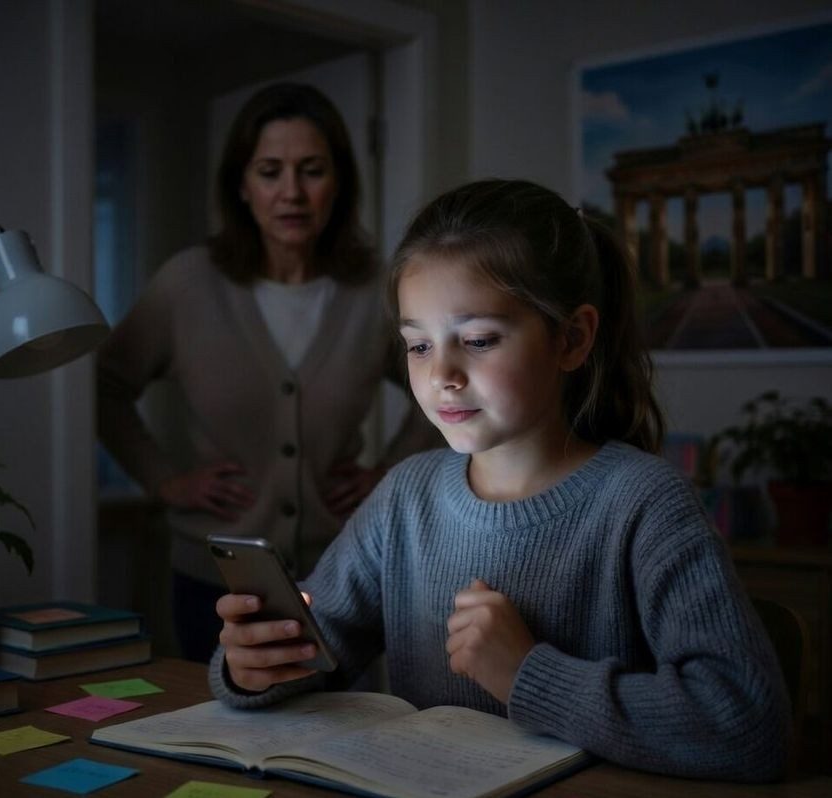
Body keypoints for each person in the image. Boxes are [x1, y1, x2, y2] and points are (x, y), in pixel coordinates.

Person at [207, 179, 792, 781]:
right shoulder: (405, 498)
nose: (442, 375)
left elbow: (747, 726)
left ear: (572, 339)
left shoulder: (644, 504)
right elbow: (314, 650)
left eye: (479, 340)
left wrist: (527, 674)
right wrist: (255, 661)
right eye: (417, 345)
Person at [97, 83, 439, 663]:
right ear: (241, 185)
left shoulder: (376, 291)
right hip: (214, 581)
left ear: (340, 183)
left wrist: (390, 474)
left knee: (336, 743)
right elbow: (104, 386)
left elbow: (444, 384)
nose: (292, 193)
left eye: (312, 170)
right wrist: (163, 481)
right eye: (269, 171)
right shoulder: (187, 285)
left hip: (343, 574)